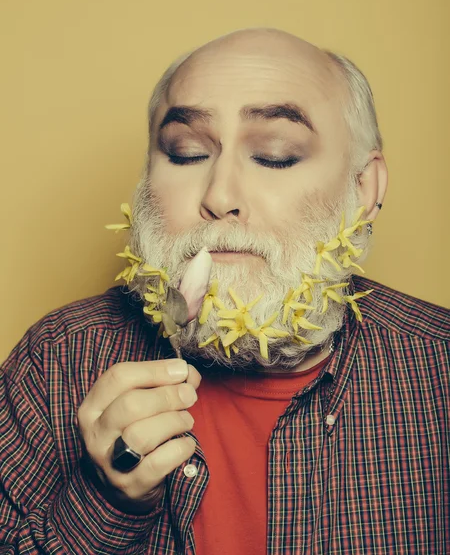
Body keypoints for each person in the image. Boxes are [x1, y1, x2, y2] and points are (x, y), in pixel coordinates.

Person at [1, 28, 449, 555]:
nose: (219, 196)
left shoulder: (439, 365)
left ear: (364, 190)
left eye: (276, 156)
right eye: (186, 153)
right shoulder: (55, 360)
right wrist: (105, 502)